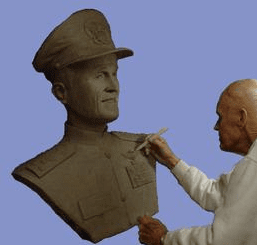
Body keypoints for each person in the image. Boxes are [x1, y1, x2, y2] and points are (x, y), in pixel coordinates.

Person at [12, 9, 158, 243]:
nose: (114, 86)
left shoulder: (144, 147)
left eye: (114, 73)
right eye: (100, 75)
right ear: (62, 92)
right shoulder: (41, 174)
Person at [138, 79, 257, 245]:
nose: (216, 126)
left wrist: (164, 239)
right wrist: (171, 161)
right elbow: (216, 194)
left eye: (220, 117)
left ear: (241, 118)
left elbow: (224, 241)